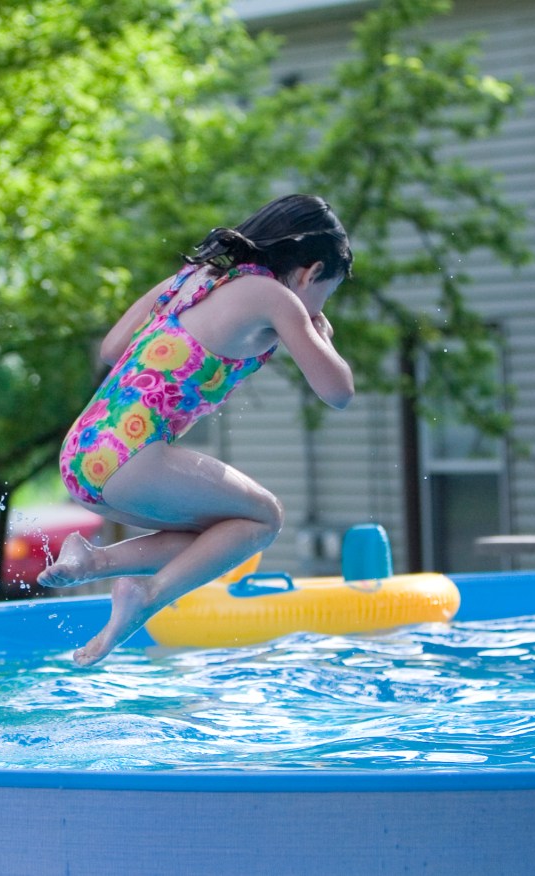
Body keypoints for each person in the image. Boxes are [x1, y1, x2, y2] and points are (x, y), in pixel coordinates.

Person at [38, 193, 355, 666]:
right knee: (265, 518)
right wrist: (321, 336)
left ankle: (94, 561)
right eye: (324, 296)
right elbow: (338, 390)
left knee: (222, 536)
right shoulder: (278, 298)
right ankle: (147, 594)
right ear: (310, 273)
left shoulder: (195, 278)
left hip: (83, 451)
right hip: (132, 456)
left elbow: (112, 348)